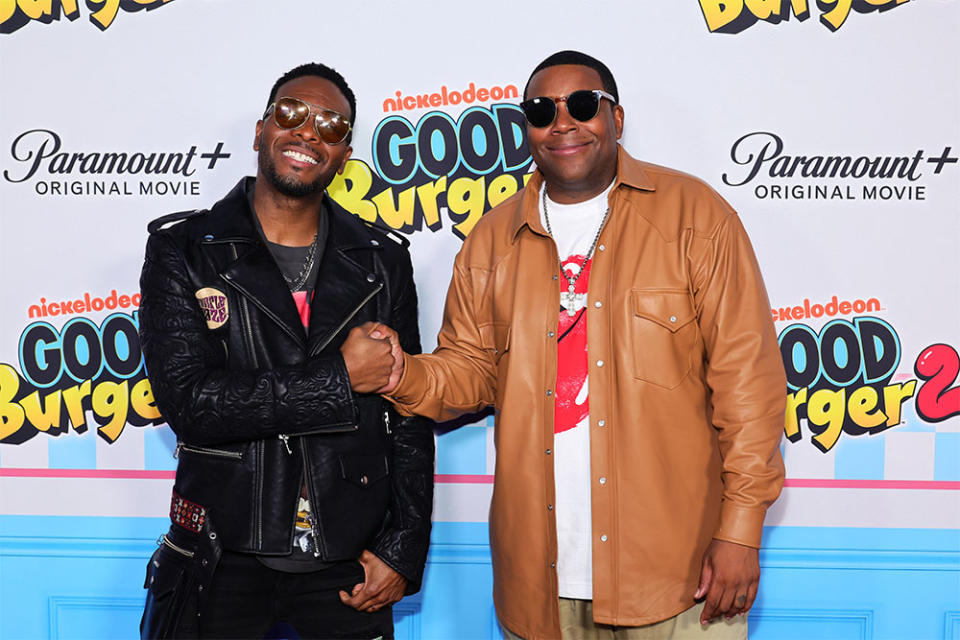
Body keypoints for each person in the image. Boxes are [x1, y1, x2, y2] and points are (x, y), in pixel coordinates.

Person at [377, 51, 786, 639]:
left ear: (616, 118)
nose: (563, 123)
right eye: (542, 111)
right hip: (539, 584)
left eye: (583, 105)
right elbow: (471, 372)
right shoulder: (492, 240)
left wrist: (742, 530)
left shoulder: (695, 217)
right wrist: (399, 374)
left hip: (678, 575)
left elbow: (749, 389)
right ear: (527, 130)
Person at [137, 62, 434, 640]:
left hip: (347, 562)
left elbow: (409, 414)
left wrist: (402, 547)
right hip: (218, 554)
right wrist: (341, 377)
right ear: (261, 129)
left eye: (330, 125)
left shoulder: (381, 261)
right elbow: (191, 404)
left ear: (344, 153)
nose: (307, 132)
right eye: (292, 113)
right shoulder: (184, 251)